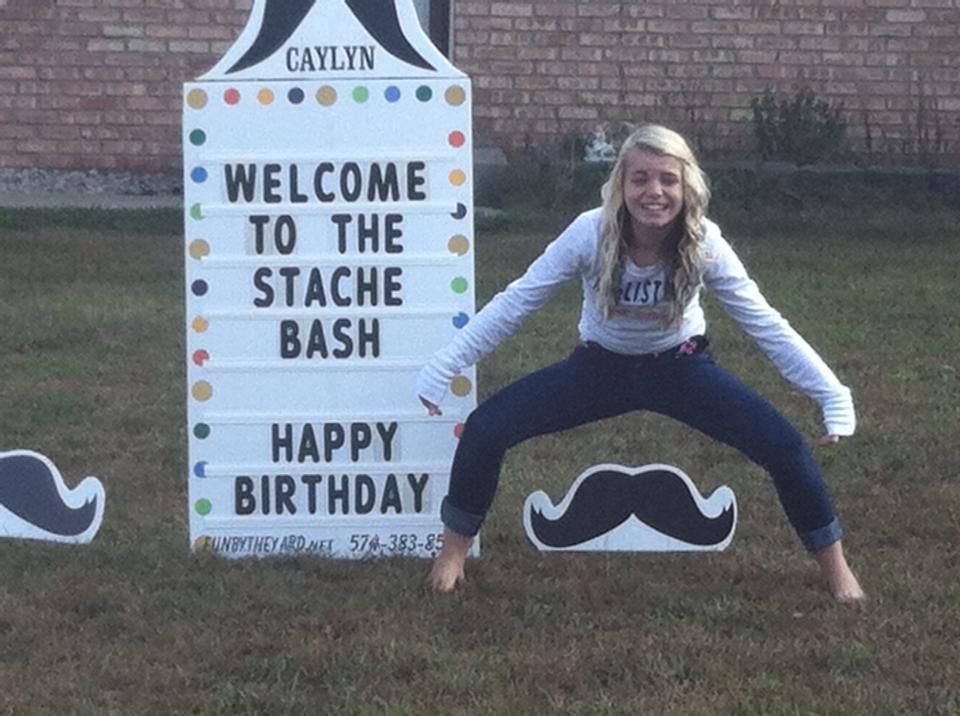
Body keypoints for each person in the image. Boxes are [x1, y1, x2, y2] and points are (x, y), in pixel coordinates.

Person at [416, 124, 865, 602]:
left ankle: (836, 571)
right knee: (486, 429)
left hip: (681, 369)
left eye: (668, 180)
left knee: (785, 447)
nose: (655, 192)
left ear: (686, 185)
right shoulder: (589, 232)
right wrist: (446, 366)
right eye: (641, 179)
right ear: (621, 186)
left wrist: (830, 394)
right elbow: (517, 301)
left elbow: (764, 323)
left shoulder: (704, 240)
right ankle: (452, 555)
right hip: (599, 369)